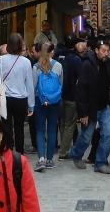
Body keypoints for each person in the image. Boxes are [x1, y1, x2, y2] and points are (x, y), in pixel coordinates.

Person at [67, 38, 110, 174]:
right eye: (103, 51)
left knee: (108, 135)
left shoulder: (109, 64)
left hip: (105, 106)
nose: (106, 53)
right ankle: (76, 154)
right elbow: (81, 90)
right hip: (91, 108)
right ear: (96, 50)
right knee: (86, 136)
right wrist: (83, 113)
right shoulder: (87, 65)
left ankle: (100, 162)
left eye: (108, 51)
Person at [0, 34, 34, 155]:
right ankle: (20, 152)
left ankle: (8, 151)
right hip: (21, 99)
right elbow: (29, 85)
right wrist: (31, 104)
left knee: (6, 127)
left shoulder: (1, 60)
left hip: (5, 98)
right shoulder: (26, 62)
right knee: (20, 126)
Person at [31, 42, 63, 171]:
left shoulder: (36, 67)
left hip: (40, 101)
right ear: (52, 52)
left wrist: (31, 104)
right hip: (54, 101)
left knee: (39, 130)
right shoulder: (58, 66)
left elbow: (33, 87)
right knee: (52, 129)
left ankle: (41, 159)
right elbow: (61, 84)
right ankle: (50, 159)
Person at [59, 35, 86, 159]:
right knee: (70, 124)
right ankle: (64, 152)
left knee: (63, 122)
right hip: (72, 96)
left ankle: (63, 146)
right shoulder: (76, 60)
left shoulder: (60, 57)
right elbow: (81, 79)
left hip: (61, 95)